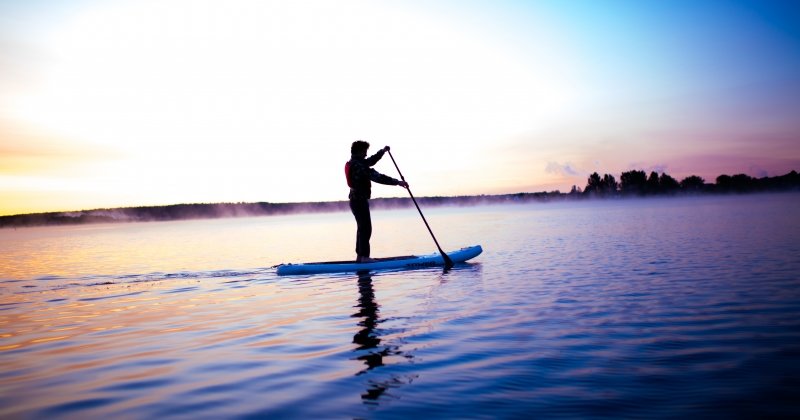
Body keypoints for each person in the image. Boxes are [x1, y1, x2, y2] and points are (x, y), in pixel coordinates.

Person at [345, 141, 408, 263]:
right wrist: (398, 182)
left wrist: (382, 152)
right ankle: (364, 257)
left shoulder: (357, 162)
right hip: (358, 201)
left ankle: (360, 257)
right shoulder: (358, 166)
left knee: (362, 228)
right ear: (358, 151)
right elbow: (377, 177)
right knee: (365, 228)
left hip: (357, 200)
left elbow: (371, 160)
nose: (366, 154)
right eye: (364, 151)